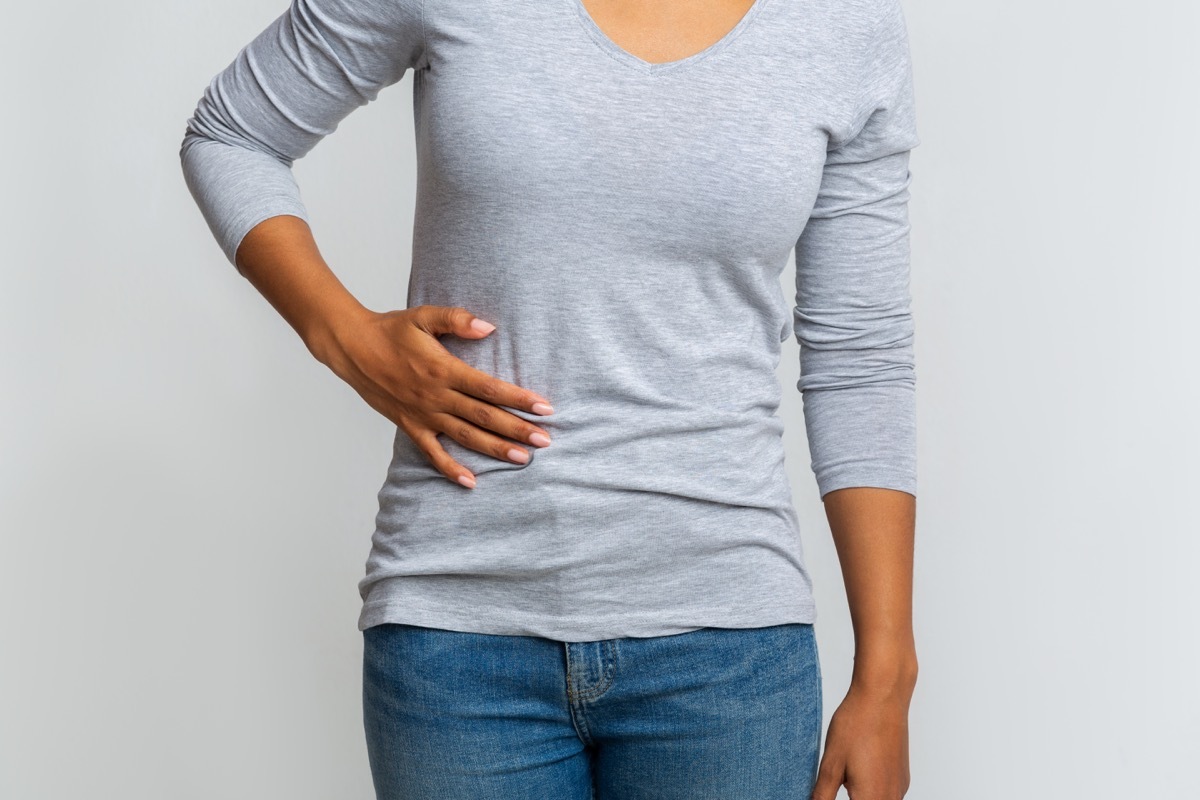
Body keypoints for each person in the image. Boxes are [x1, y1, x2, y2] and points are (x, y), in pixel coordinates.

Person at [179, 0, 921, 797]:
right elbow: (232, 133)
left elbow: (860, 354)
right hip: (458, 633)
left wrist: (887, 674)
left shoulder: (844, 23)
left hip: (727, 648)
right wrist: (346, 337)